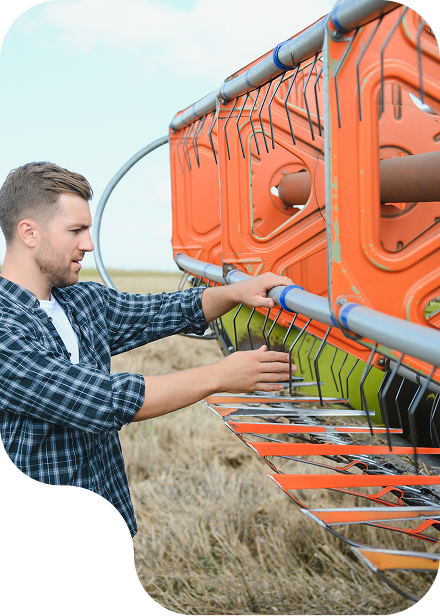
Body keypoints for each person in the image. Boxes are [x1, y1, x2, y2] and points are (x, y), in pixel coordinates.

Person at [0, 161, 295, 539]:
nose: (88, 244)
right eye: (75, 230)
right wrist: (220, 376)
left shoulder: (82, 301)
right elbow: (102, 401)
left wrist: (236, 292)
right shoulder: (5, 329)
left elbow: (162, 310)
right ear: (29, 232)